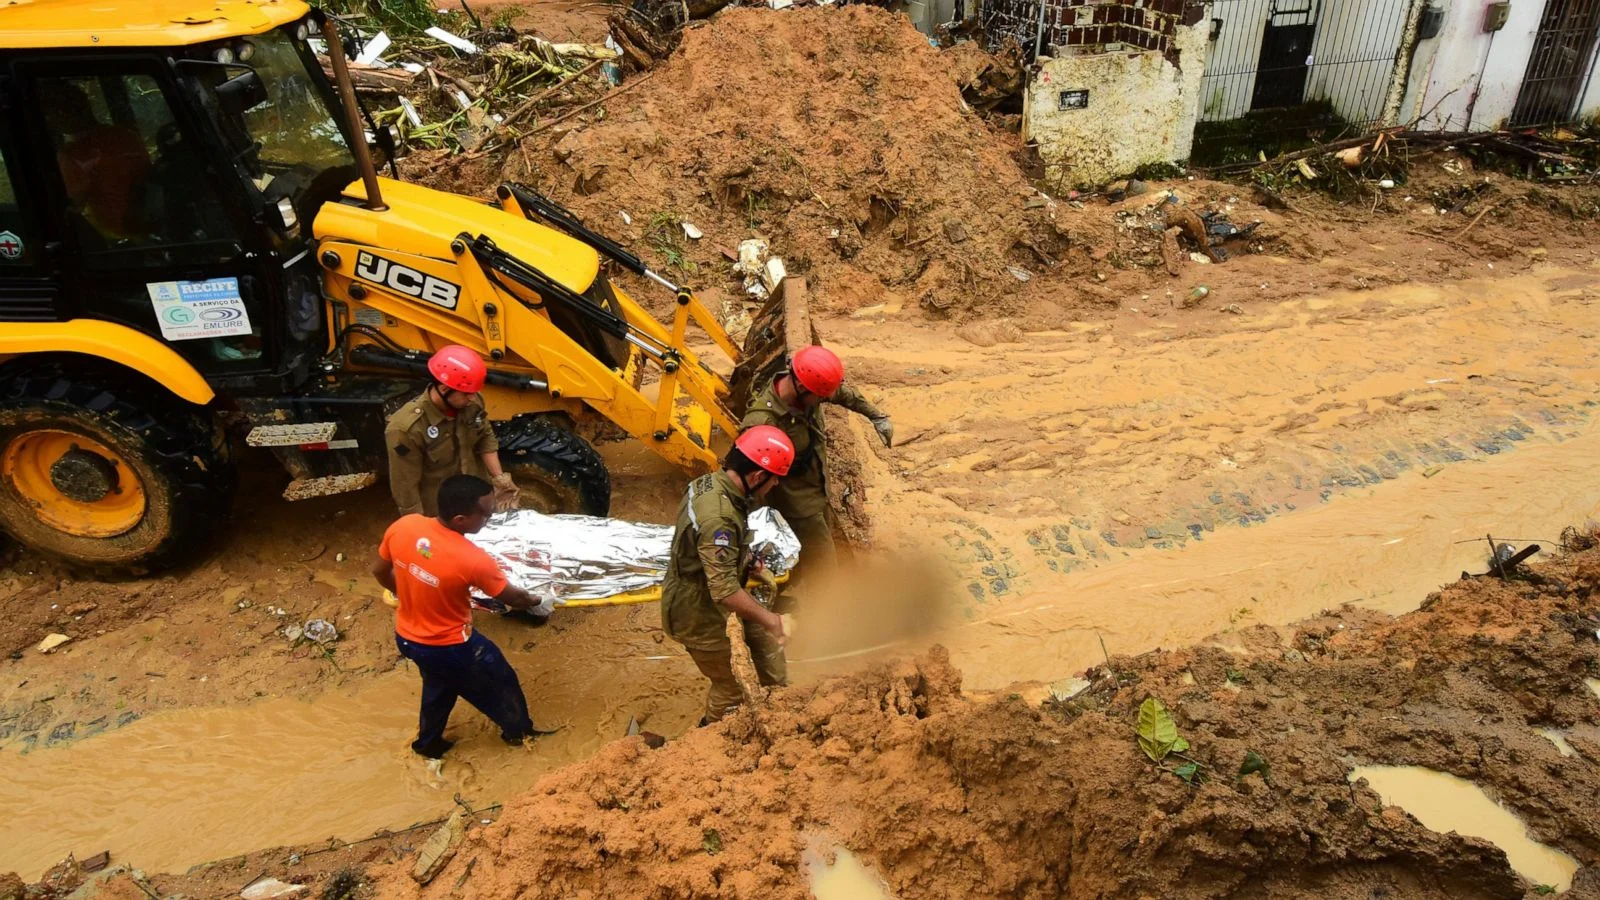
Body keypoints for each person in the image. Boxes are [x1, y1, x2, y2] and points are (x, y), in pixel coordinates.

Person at [371, 474, 551, 759]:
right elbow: (513, 598)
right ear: (460, 519)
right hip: (451, 645)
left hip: (407, 637)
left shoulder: (405, 526)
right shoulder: (472, 559)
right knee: (500, 679)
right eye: (486, 514)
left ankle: (428, 745)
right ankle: (519, 733)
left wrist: (409, 594)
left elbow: (379, 570)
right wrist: (539, 600)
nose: (489, 519)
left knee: (439, 686)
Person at [660, 425, 795, 725]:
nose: (774, 488)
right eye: (774, 481)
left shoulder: (709, 484)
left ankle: (778, 704)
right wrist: (773, 621)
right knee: (732, 685)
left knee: (765, 654)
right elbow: (723, 590)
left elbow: (708, 551)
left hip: (706, 590)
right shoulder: (718, 518)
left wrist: (747, 560)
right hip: (697, 612)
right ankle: (709, 740)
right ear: (758, 477)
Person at [741, 345, 891, 582]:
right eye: (820, 397)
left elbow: (839, 392)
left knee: (809, 567)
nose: (824, 400)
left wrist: (876, 415)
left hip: (819, 493)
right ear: (801, 387)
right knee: (824, 573)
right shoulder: (763, 424)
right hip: (798, 509)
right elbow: (746, 481)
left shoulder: (807, 391)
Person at [386, 345, 517, 518]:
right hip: (440, 512)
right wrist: (418, 526)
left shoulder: (472, 402)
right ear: (444, 389)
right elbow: (405, 487)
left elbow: (485, 437)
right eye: (466, 394)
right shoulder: (406, 429)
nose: (472, 398)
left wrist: (500, 479)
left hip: (472, 500)